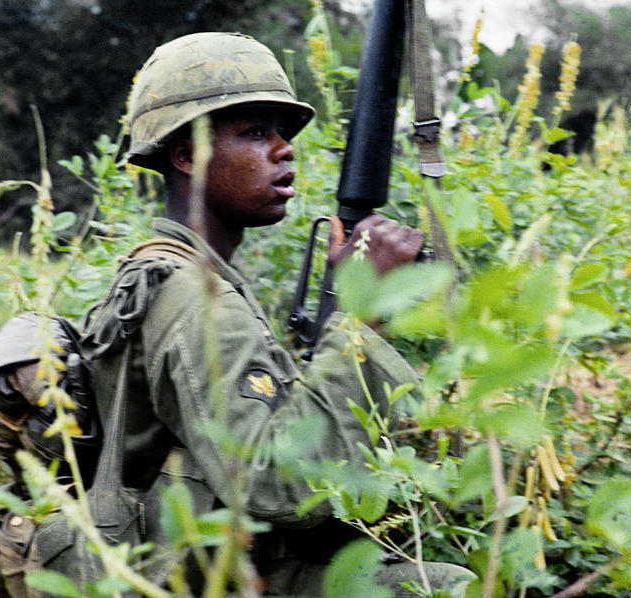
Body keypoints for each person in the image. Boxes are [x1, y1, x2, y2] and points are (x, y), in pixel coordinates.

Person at [77, 32, 473, 597]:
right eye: (255, 133)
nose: (284, 150)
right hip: (203, 579)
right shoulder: (191, 295)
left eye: (282, 134)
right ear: (187, 155)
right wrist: (362, 319)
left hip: (224, 561)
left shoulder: (193, 278)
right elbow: (268, 483)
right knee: (444, 588)